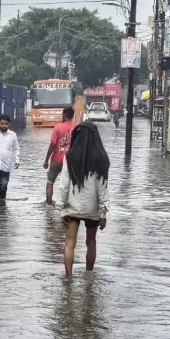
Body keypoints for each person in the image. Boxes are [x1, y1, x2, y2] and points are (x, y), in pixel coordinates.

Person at [59, 123, 110, 276]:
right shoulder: (102, 159)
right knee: (91, 242)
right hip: (92, 209)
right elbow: (103, 188)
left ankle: (68, 277)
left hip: (72, 206)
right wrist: (103, 213)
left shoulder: (69, 157)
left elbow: (64, 185)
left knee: (70, 243)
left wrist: (62, 208)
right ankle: (89, 276)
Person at [43, 107, 75, 204]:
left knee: (50, 182)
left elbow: (53, 144)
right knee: (70, 184)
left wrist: (46, 160)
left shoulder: (58, 127)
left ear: (64, 115)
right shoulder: (77, 127)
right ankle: (67, 204)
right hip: (71, 161)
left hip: (56, 160)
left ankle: (48, 204)